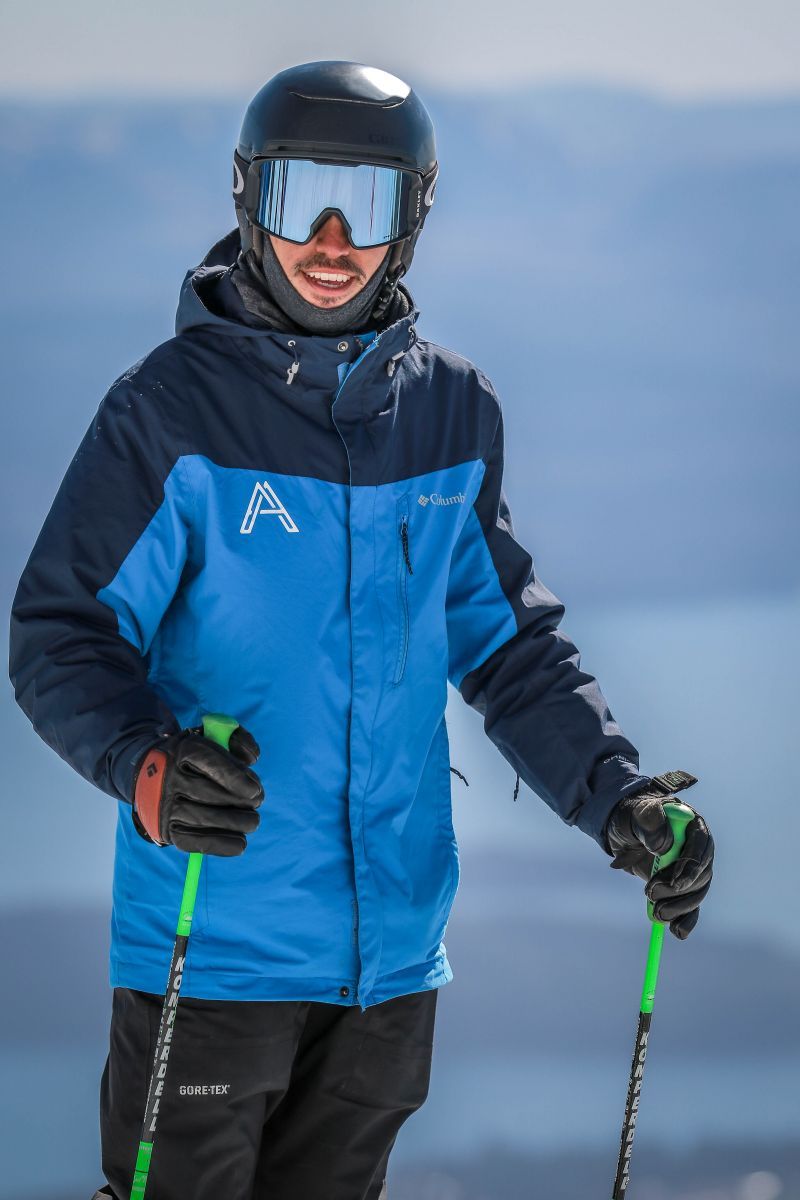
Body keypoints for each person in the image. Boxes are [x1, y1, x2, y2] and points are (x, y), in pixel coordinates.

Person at [8, 60, 714, 1200]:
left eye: (368, 203)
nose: (332, 241)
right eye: (302, 199)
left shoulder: (449, 414)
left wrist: (617, 797)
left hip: (388, 966)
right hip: (211, 947)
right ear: (250, 199)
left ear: (413, 217)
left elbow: (506, 648)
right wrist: (146, 768)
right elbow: (60, 631)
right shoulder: (168, 413)